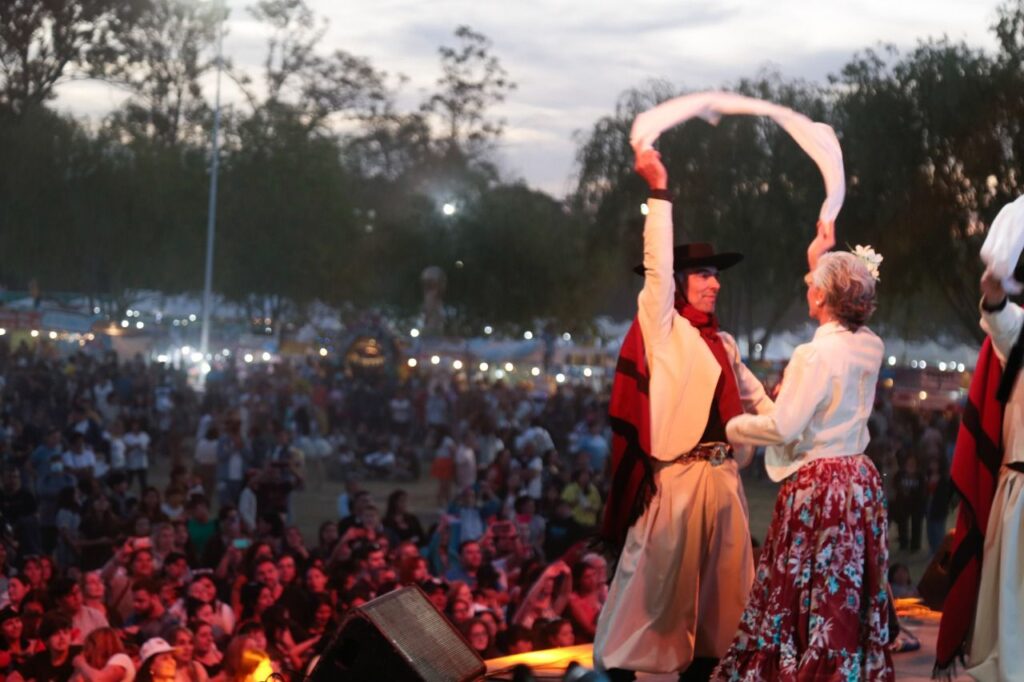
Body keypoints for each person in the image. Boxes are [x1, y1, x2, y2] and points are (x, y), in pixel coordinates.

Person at [594, 149, 772, 681]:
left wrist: (813, 427)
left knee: (724, 601)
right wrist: (659, 191)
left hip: (724, 478)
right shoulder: (665, 331)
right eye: (702, 275)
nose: (714, 283)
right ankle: (622, 673)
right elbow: (657, 266)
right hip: (677, 479)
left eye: (716, 276)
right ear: (679, 282)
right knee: (654, 592)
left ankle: (706, 671)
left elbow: (763, 406)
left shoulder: (725, 343)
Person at [712, 248, 893, 680]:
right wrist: (822, 255)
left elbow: (784, 426)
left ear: (823, 296)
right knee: (842, 588)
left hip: (822, 486)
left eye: (813, 282)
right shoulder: (871, 345)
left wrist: (732, 426)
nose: (807, 286)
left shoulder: (813, 355)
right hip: (858, 481)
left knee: (803, 587)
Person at [936, 268, 1024, 680]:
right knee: (1014, 603)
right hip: (1022, 488)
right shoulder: (1020, 329)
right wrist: (994, 296)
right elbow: (1002, 321)